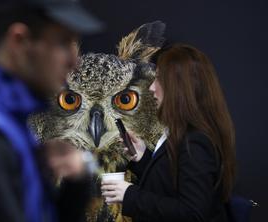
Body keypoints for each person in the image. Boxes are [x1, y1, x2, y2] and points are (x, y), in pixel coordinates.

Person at [0, 0, 103, 222]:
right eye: (63, 43)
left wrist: (75, 182)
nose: (74, 62)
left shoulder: (9, 119)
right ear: (20, 41)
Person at [101, 44, 236, 222]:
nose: (151, 88)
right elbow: (170, 185)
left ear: (177, 87)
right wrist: (143, 158)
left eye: (158, 79)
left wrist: (130, 195)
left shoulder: (196, 142)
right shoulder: (183, 133)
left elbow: (192, 214)